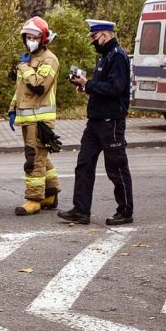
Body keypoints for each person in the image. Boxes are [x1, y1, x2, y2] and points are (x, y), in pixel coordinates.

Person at [58, 19, 134, 226]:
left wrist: (88, 84)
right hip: (95, 122)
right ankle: (81, 211)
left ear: (104, 35)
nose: (92, 41)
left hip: (111, 122)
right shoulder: (105, 57)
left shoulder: (117, 56)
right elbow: (102, 86)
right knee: (84, 164)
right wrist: (87, 88)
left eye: (94, 37)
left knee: (116, 167)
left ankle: (125, 211)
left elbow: (116, 88)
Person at [8, 16, 62, 216]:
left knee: (34, 159)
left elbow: (39, 86)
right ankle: (50, 192)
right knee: (41, 156)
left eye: (34, 37)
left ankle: (34, 199)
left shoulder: (49, 59)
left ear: (43, 38)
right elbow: (21, 89)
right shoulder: (29, 59)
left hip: (39, 120)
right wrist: (13, 108)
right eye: (27, 37)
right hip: (28, 118)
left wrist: (23, 68)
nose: (30, 40)